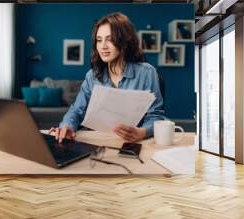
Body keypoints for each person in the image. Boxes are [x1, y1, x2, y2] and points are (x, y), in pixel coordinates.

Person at [53, 12, 165, 143]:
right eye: (99, 40)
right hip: (96, 142)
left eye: (109, 39)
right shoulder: (92, 76)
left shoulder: (147, 73)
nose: (103, 46)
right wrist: (67, 126)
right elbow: (77, 111)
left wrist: (142, 132)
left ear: (124, 41)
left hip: (130, 144)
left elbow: (155, 116)